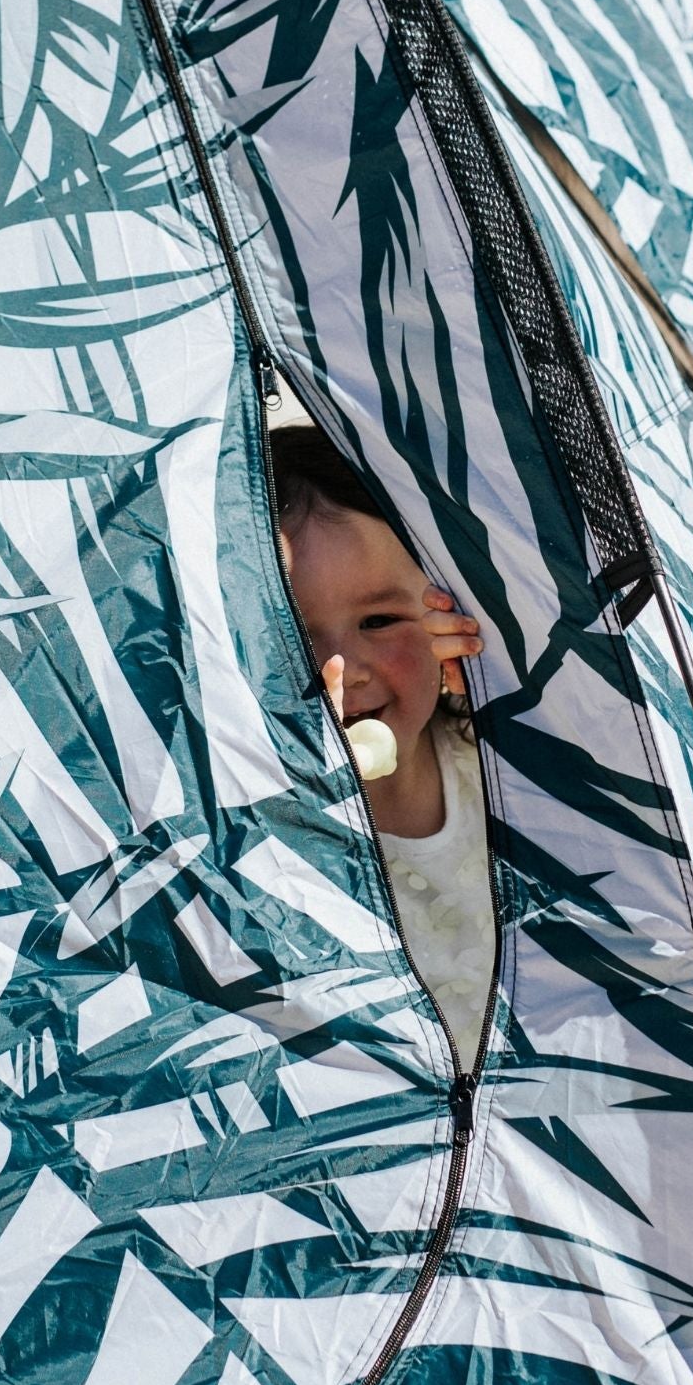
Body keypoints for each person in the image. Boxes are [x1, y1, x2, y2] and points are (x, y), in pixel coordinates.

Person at [269, 425, 494, 1063]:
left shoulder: (500, 769)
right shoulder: (271, 832)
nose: (346, 667)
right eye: (293, 633)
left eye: (380, 621)